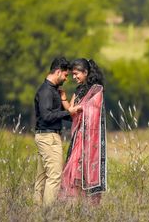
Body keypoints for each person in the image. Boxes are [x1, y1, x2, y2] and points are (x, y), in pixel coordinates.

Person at [58, 58, 107, 202]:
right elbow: (71, 110)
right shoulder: (79, 89)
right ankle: (74, 205)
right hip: (78, 136)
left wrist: (82, 108)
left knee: (85, 171)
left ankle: (88, 207)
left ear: (85, 72)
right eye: (72, 74)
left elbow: (94, 111)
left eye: (76, 74)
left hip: (90, 138)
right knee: (73, 169)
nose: (74, 77)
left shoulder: (96, 90)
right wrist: (63, 98)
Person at [33, 57, 72, 204]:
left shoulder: (54, 91)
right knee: (55, 176)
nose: (66, 78)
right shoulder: (45, 91)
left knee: (42, 176)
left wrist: (75, 114)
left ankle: (36, 211)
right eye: (65, 75)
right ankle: (48, 215)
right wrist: (69, 112)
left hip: (47, 137)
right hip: (48, 137)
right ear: (57, 72)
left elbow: (60, 113)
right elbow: (47, 116)